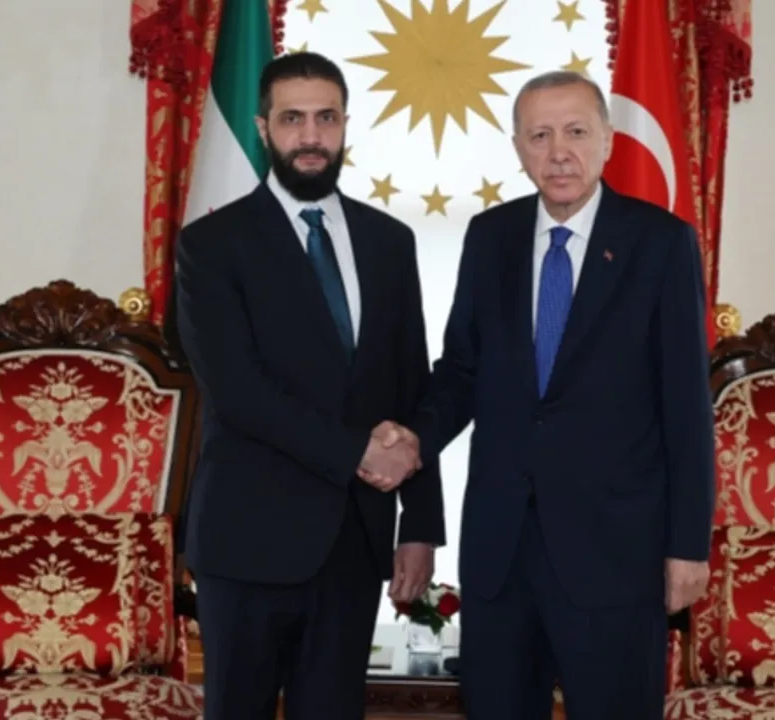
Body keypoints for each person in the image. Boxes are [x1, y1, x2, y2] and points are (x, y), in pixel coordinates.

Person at [368, 70, 716, 718]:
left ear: (607, 141)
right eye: (540, 136)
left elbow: (687, 409)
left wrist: (689, 545)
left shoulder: (661, 244)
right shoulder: (490, 237)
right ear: (518, 148)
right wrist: (414, 438)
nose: (559, 152)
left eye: (576, 132)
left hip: (615, 551)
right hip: (502, 551)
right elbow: (462, 371)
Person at [173, 51, 444, 720]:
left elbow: (411, 385)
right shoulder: (211, 245)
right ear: (263, 128)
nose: (311, 136)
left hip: (354, 543)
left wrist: (421, 526)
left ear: (346, 124)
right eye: (293, 119)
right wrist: (359, 451)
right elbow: (239, 393)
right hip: (246, 541)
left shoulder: (390, 242)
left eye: (326, 118)